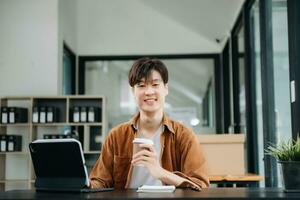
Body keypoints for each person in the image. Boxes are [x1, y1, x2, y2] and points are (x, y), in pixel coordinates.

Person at [89, 57, 209, 190]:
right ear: (133, 91)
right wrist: (86, 183)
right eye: (141, 85)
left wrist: (161, 173)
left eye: (155, 85)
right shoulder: (116, 136)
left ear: (166, 89)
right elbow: (100, 180)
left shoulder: (184, 135)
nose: (149, 92)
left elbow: (200, 184)